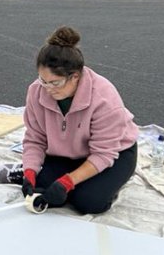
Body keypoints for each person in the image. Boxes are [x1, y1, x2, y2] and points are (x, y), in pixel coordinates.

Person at [20, 27, 139, 216]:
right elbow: (35, 139)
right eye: (43, 80)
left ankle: (113, 180)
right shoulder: (36, 91)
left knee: (88, 202)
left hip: (114, 154)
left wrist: (68, 182)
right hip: (65, 153)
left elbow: (104, 153)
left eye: (55, 83)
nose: (48, 88)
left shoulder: (104, 99)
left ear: (75, 76)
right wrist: (29, 172)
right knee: (42, 192)